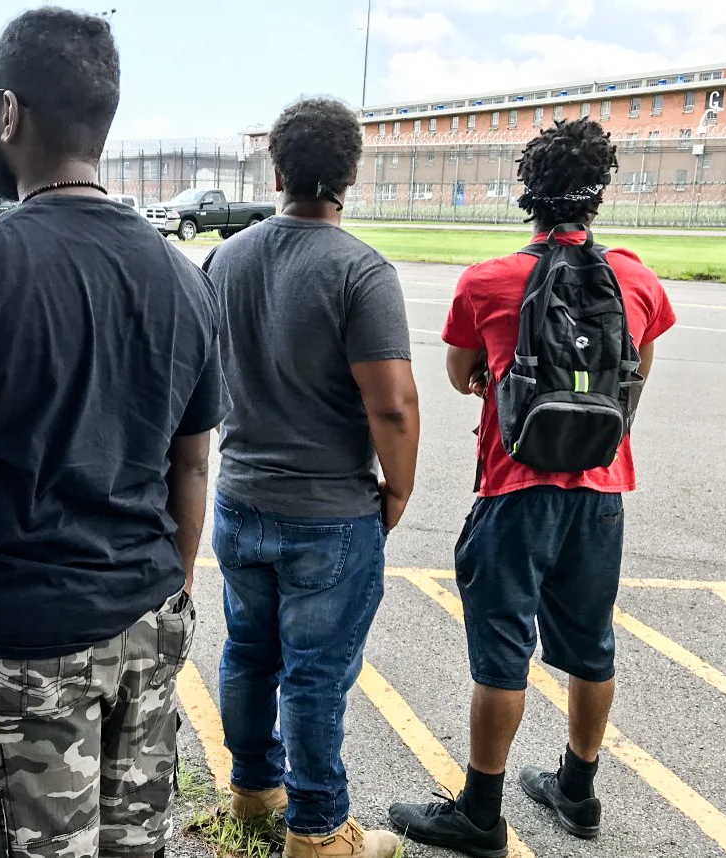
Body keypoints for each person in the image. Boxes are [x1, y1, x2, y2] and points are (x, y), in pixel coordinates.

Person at [0, 9, 226, 858]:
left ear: (8, 113)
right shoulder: (182, 278)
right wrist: (165, 594)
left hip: (22, 651)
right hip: (146, 625)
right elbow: (194, 467)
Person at [389, 118, 677, 857]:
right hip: (601, 490)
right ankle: (578, 790)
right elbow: (636, 374)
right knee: (592, 643)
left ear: (529, 194)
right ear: (600, 194)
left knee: (501, 650)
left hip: (514, 488)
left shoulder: (486, 281)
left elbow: (459, 377)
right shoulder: (637, 279)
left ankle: (480, 811)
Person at [202, 97, 419, 858]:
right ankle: (320, 832)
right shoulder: (359, 269)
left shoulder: (225, 258)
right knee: (316, 675)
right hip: (328, 511)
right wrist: (397, 489)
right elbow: (391, 405)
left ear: (278, 168)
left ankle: (254, 791)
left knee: (246, 653)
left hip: (239, 498)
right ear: (349, 176)